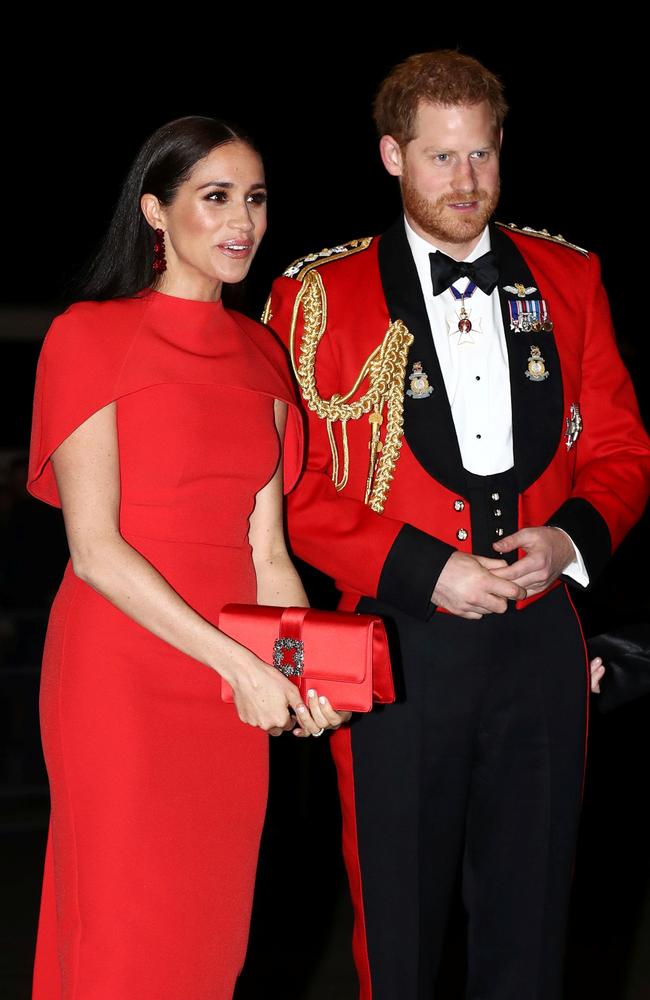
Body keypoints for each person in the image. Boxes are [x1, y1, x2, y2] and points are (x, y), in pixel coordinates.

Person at [266, 52, 650, 999]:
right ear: (392, 155)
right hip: (398, 647)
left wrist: (567, 544)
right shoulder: (316, 297)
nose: (467, 182)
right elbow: (289, 487)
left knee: (532, 929)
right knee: (397, 933)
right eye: (441, 159)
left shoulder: (569, 276)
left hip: (541, 647)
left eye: (481, 155)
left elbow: (622, 454)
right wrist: (421, 568)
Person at [27, 116, 349, 1000]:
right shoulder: (88, 336)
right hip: (122, 670)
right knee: (127, 928)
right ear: (155, 213)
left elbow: (270, 552)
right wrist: (241, 665)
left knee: (210, 936)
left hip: (229, 682)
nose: (241, 220)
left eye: (253, 199)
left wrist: (301, 670)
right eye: (214, 198)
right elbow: (95, 552)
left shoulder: (262, 354)